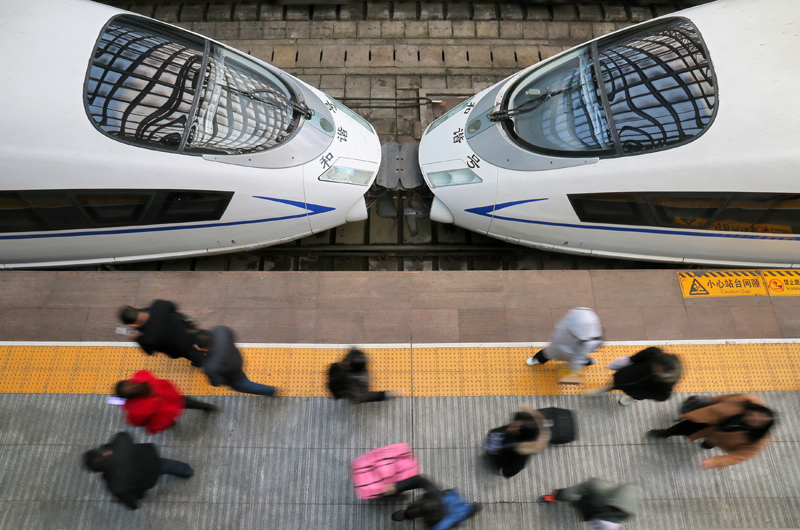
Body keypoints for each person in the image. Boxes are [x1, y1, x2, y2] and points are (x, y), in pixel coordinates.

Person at [647, 393, 775, 469]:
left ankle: (708, 443)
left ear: (760, 428)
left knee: (710, 443)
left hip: (721, 438)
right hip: (707, 420)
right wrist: (711, 401)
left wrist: (714, 462)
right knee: (683, 427)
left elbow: (739, 457)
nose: (751, 417)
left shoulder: (758, 440)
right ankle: (665, 434)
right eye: (755, 413)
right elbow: (724, 398)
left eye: (756, 421)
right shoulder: (747, 400)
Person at [83, 431, 194, 510]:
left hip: (146, 481)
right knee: (169, 465)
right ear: (102, 452)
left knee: (137, 491)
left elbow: (129, 501)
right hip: (151, 459)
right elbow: (124, 435)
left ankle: (141, 495)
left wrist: (134, 505)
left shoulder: (114, 484)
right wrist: (108, 449)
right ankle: (187, 471)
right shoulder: (120, 442)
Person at [115, 370, 216, 435]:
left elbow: (137, 422)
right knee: (189, 403)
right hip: (172, 396)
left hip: (164, 414)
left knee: (168, 423)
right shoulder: (142, 376)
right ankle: (207, 407)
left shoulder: (136, 410)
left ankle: (173, 425)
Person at [194, 326, 278, 396]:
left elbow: (216, 382)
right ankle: (270, 390)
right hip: (237, 360)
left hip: (232, 376)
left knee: (244, 385)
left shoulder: (211, 367)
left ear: (201, 348)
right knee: (243, 379)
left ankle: (271, 390)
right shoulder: (221, 330)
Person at [525, 307, 603, 382]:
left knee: (579, 359)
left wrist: (574, 367)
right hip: (564, 343)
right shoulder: (582, 319)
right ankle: (537, 359)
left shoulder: (588, 338)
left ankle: (537, 359)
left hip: (572, 348)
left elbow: (581, 354)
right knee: (549, 352)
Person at [118, 301, 205, 367]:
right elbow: (173, 307)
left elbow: (149, 351)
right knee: (200, 339)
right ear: (135, 307)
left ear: (132, 325)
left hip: (178, 346)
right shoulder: (159, 305)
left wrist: (136, 337)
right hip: (185, 328)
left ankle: (200, 361)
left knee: (191, 353)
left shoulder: (147, 339)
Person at [586, 347, 682, 406]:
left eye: (659, 368)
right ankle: (607, 388)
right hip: (626, 376)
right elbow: (634, 358)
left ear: (667, 371)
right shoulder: (654, 353)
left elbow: (662, 397)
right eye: (656, 365)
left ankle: (632, 398)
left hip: (636, 390)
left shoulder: (667, 385)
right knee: (614, 383)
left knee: (629, 392)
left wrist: (640, 394)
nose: (654, 368)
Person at [382, 475, 481, 529]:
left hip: (438, 516)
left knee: (414, 511)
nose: (416, 502)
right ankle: (406, 514)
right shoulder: (435, 493)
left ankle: (407, 515)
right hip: (437, 504)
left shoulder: (439, 523)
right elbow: (420, 480)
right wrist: (397, 487)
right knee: (414, 510)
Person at [538, 477, 639, 530]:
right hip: (590, 503)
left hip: (591, 507)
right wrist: (565, 495)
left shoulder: (622, 512)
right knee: (563, 495)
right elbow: (577, 490)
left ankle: (553, 497)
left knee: (566, 496)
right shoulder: (598, 487)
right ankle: (552, 497)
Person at [484, 405, 550, 478]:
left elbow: (508, 472)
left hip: (496, 455)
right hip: (497, 454)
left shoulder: (519, 455)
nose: (513, 424)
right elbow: (507, 472)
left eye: (516, 424)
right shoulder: (513, 431)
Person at [328, 348, 399, 404]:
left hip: (350, 388)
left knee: (358, 395)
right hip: (346, 386)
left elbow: (365, 396)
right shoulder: (355, 357)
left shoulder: (359, 379)